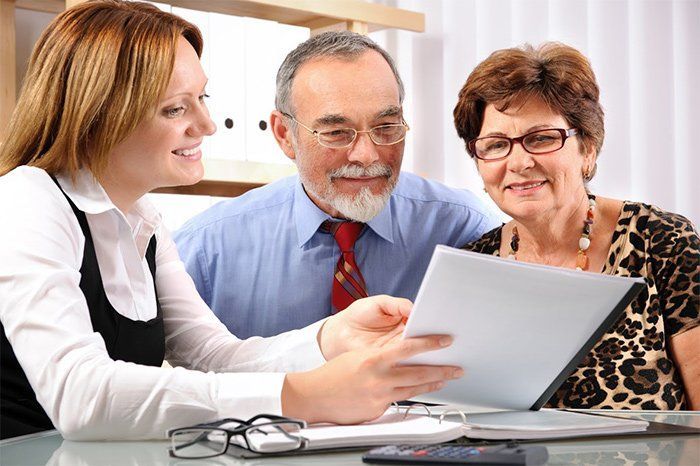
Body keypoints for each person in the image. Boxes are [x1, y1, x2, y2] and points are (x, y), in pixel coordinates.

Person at [0, 0, 462, 441]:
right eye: (175, 108)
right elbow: (80, 396)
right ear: (101, 113)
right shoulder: (27, 199)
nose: (206, 124)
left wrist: (331, 337)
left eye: (202, 97)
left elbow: (211, 356)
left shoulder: (144, 221)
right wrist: (304, 395)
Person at [174, 31, 497, 338]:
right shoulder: (206, 250)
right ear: (285, 135)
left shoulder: (461, 227)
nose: (367, 155)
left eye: (386, 127)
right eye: (337, 133)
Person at [454, 42, 699, 410]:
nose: (518, 162)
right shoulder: (472, 267)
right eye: (496, 144)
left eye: (541, 139)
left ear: (587, 148)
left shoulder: (662, 241)